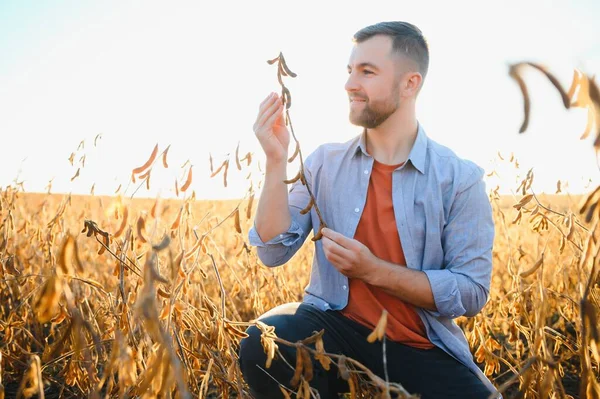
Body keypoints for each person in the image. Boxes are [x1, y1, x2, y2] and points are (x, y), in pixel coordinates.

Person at [238, 21, 499, 399]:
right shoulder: (325, 163)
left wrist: (374, 271)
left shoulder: (459, 178)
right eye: (349, 71)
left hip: (419, 347)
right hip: (333, 330)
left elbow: (471, 291)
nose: (349, 84)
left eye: (367, 72)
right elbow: (272, 249)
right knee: (264, 342)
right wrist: (276, 160)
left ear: (411, 84)